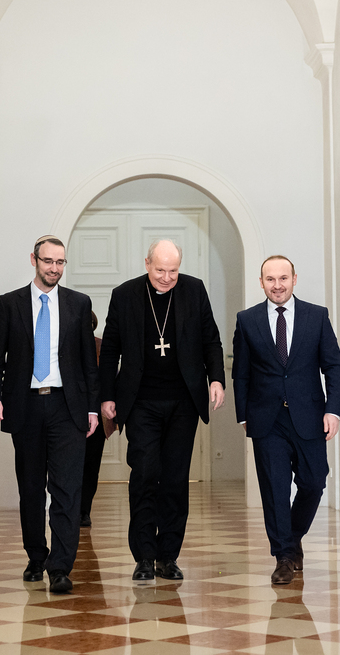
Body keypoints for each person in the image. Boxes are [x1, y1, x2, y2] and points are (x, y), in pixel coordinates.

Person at [99, 239, 225, 581]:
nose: (167, 277)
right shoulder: (125, 295)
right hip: (141, 401)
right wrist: (106, 395)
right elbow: (110, 349)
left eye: (173, 271)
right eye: (160, 270)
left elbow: (211, 339)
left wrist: (216, 379)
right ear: (146, 264)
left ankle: (168, 555)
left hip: (183, 401)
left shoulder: (194, 290)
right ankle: (143, 556)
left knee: (175, 479)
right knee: (144, 474)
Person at [0, 235, 100, 594]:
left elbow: (88, 365)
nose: (54, 268)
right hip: (26, 406)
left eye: (60, 262)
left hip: (67, 407)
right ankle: (36, 556)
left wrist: (92, 407)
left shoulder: (79, 304)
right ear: (34, 260)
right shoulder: (9, 304)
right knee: (31, 488)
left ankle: (60, 567)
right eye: (48, 261)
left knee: (67, 489)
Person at [231, 255, 340, 584]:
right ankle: (283, 556)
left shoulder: (316, 316)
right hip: (266, 420)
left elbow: (333, 367)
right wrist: (243, 415)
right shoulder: (247, 320)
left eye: (283, 278)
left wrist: (333, 410)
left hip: (309, 416)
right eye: (270, 279)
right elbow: (241, 373)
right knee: (275, 489)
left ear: (294, 279)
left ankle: (292, 538)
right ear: (261, 282)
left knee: (314, 482)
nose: (277, 285)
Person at [81, 311, 117, 527]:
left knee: (91, 465)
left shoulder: (102, 346)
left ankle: (84, 510)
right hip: (69, 414)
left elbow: (110, 379)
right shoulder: (64, 344)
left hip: (97, 415)